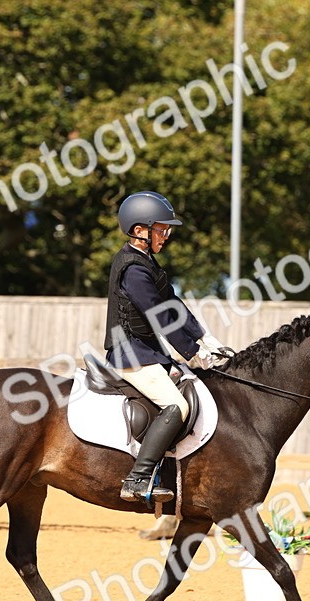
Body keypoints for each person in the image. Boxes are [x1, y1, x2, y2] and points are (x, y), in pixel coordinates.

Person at [104, 191, 230, 503]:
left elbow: (171, 302)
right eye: (161, 229)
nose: (167, 234)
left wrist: (204, 336)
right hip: (130, 353)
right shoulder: (132, 269)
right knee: (178, 406)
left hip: (146, 352)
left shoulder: (147, 263)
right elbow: (159, 316)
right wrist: (192, 352)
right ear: (139, 231)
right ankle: (137, 478)